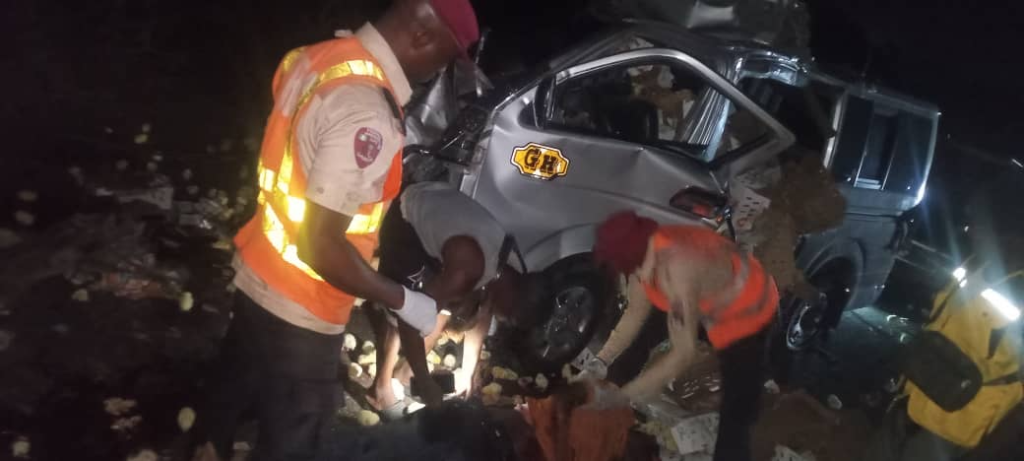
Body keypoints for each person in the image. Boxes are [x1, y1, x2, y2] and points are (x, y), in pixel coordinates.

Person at [195, 1, 479, 459]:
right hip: (303, 308)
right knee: (293, 443)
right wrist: (405, 301)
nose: (437, 72)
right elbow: (320, 245)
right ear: (422, 36)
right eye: (443, 59)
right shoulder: (368, 112)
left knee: (224, 408)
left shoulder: (315, 56)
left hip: (258, 269)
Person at [586, 211, 779, 461]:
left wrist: (623, 396)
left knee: (738, 402)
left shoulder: (678, 267)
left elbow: (683, 354)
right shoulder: (644, 258)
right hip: (705, 299)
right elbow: (635, 314)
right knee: (650, 337)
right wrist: (601, 360)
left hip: (749, 308)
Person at [363, 181, 540, 417]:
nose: (502, 319)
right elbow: (408, 317)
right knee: (401, 308)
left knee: (442, 304)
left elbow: (485, 310)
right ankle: (381, 388)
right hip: (408, 219)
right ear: (511, 298)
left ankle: (406, 374)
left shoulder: (510, 272)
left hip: (442, 220)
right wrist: (425, 381)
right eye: (507, 316)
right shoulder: (466, 270)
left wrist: (468, 373)